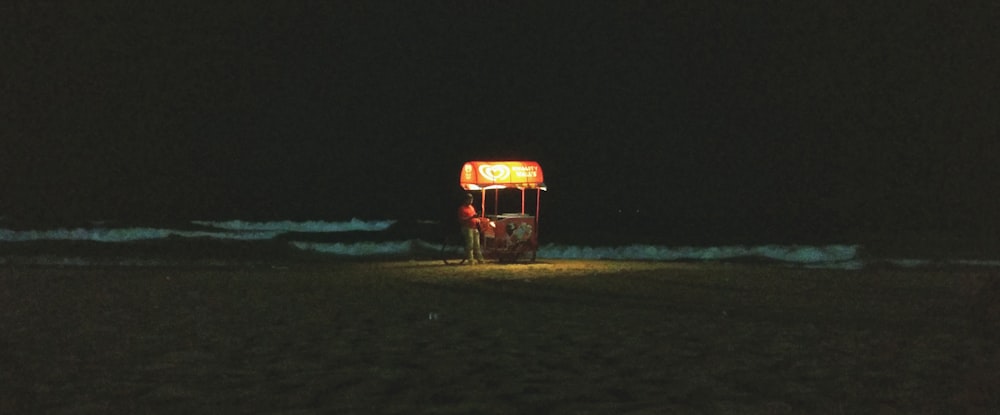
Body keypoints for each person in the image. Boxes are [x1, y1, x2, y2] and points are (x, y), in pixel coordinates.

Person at [457, 193, 485, 264]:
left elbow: (474, 216)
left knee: (477, 244)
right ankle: (470, 260)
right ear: (465, 200)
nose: (470, 201)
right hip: (467, 228)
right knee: (470, 244)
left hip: (474, 227)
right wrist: (471, 217)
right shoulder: (462, 209)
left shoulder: (471, 207)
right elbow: (461, 219)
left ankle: (480, 259)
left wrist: (478, 220)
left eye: (471, 199)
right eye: (469, 199)